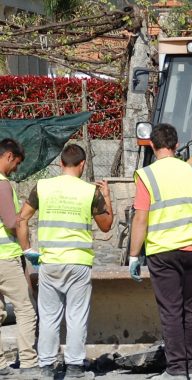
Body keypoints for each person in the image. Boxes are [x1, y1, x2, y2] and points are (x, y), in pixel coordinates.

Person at [128, 123, 192, 380]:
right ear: (177, 146)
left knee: (171, 310)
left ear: (153, 146)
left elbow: (140, 219)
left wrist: (135, 255)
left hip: (162, 252)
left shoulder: (147, 175)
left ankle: (177, 370)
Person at [17, 144, 113, 378]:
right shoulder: (90, 192)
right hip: (78, 262)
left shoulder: (43, 187)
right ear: (82, 165)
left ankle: (47, 366)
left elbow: (22, 219)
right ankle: (74, 367)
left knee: (49, 316)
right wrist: (107, 198)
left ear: (60, 164)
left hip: (49, 262)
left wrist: (28, 250)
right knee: (76, 316)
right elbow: (106, 225)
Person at [0, 138, 39, 377]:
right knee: (25, 310)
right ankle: (28, 362)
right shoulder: (3, 185)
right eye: (16, 163)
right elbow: (11, 222)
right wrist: (24, 214)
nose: (16, 168)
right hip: (5, 258)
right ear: (8, 156)